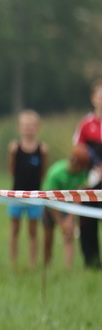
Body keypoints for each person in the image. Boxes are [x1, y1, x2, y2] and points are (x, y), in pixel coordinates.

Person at [7, 110, 48, 269]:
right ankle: (13, 262)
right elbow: (12, 169)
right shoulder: (14, 148)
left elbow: (43, 171)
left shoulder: (43, 149)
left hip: (35, 195)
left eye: (31, 126)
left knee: (33, 230)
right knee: (14, 228)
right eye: (25, 126)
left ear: (37, 128)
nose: (28, 129)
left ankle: (32, 263)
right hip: (16, 194)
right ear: (19, 128)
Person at [42, 144, 92, 269]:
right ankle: (46, 265)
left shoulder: (83, 173)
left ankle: (67, 269)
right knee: (48, 237)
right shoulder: (55, 173)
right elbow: (51, 201)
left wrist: (70, 219)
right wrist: (60, 223)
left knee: (69, 236)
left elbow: (79, 196)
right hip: (50, 206)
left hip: (69, 207)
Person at [72, 80, 102, 269]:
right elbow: (78, 151)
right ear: (93, 98)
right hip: (90, 179)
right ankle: (91, 263)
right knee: (88, 220)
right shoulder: (85, 124)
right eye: (100, 96)